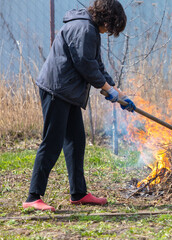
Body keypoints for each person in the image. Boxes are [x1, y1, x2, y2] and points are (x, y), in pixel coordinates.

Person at [22, 0, 135, 212]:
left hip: (68, 91)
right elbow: (86, 65)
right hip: (58, 90)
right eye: (110, 28)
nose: (108, 32)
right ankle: (32, 196)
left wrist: (116, 91)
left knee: (76, 141)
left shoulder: (90, 28)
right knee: (52, 142)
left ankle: (79, 193)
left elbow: (97, 64)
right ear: (106, 19)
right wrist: (107, 89)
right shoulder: (84, 29)